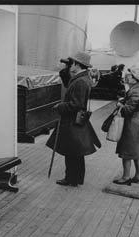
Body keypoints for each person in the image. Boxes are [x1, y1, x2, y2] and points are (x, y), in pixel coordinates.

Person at [46, 51, 101, 187]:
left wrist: (61, 106)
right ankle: (75, 178)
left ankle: (71, 179)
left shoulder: (80, 82)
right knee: (76, 152)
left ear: (77, 64)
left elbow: (76, 104)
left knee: (71, 151)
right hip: (75, 121)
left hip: (72, 121)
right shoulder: (83, 79)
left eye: (72, 63)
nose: (70, 66)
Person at [113, 62, 139, 186]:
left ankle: (125, 177)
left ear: (135, 78)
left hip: (132, 126)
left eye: (130, 75)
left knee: (127, 152)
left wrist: (120, 104)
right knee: (137, 152)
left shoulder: (135, 92)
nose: (127, 77)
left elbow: (127, 111)